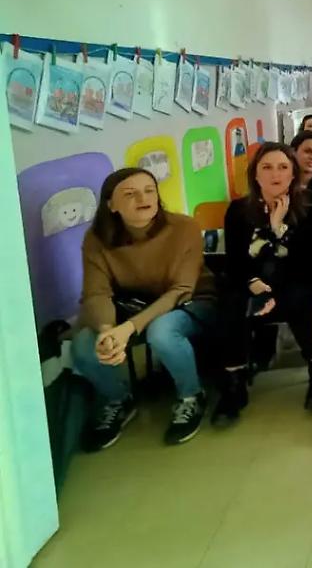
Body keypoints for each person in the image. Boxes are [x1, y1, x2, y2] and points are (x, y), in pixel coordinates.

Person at [72, 168, 217, 450]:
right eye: (130, 193)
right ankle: (117, 399)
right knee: (82, 346)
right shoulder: (96, 239)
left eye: (149, 190)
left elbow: (181, 290)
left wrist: (128, 329)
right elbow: (96, 293)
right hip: (131, 305)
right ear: (111, 205)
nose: (143, 198)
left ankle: (191, 396)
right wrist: (106, 331)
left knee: (161, 333)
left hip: (190, 301)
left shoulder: (184, 227)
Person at [214, 144, 312, 423]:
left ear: (293, 174)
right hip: (254, 283)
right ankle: (234, 384)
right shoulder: (239, 211)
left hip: (297, 279)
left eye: (283, 167)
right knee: (230, 302)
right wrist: (252, 279)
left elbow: (311, 261)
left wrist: (276, 227)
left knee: (300, 298)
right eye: (266, 167)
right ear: (255, 175)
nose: (275, 174)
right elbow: (236, 261)